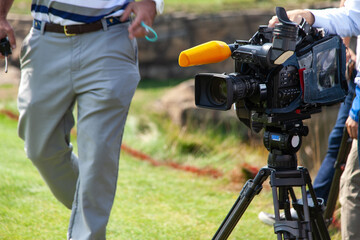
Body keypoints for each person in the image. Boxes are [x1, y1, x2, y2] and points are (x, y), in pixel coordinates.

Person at [0, 0, 164, 239]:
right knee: (39, 148)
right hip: (46, 39)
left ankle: (92, 212)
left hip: (110, 38)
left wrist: (150, 2)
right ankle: (94, 203)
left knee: (97, 158)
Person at [268, 2, 360, 239]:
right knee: (336, 146)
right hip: (355, 81)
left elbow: (353, 17)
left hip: (358, 88)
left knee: (352, 187)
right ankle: (308, 206)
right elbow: (350, 14)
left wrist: (308, 16)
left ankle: (308, 208)